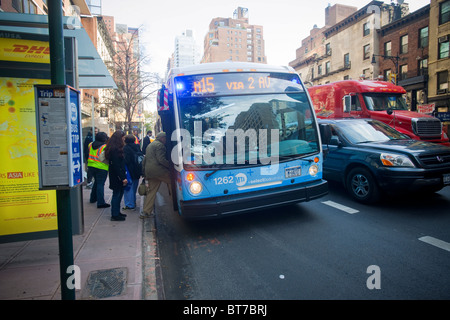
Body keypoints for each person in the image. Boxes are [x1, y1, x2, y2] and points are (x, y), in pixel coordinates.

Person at [141, 132, 171, 219]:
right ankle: (177, 201)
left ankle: (146, 212)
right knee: (175, 183)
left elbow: (145, 160)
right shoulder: (160, 146)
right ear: (162, 138)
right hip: (159, 171)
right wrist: (171, 166)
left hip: (150, 171)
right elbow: (161, 160)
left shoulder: (150, 145)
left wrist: (144, 172)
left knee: (151, 192)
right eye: (165, 138)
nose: (166, 140)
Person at [104, 130, 128, 221]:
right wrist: (122, 178)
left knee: (119, 194)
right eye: (123, 137)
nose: (124, 138)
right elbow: (117, 166)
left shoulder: (114, 148)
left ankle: (117, 212)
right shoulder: (115, 150)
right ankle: (115, 214)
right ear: (119, 138)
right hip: (117, 176)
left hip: (117, 175)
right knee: (116, 195)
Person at [87, 131, 110, 208]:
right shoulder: (104, 146)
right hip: (101, 167)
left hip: (91, 166)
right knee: (100, 184)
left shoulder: (90, 145)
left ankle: (93, 198)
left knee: (96, 182)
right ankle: (100, 202)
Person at [123, 134, 143, 210]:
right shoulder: (137, 146)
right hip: (137, 170)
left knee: (128, 188)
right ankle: (133, 201)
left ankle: (129, 204)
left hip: (129, 170)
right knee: (134, 187)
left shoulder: (126, 148)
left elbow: (127, 160)